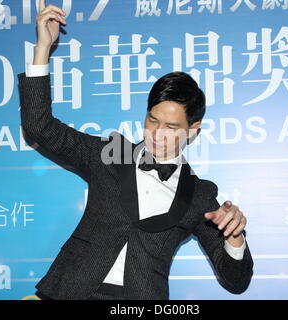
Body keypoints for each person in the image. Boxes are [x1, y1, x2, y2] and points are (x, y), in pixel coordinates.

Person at [17, 0, 254, 300]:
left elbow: (236, 282)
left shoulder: (199, 196)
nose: (156, 133)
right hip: (68, 292)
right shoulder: (108, 154)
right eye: (152, 120)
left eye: (170, 127)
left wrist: (234, 239)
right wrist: (42, 48)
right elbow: (40, 127)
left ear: (193, 130)